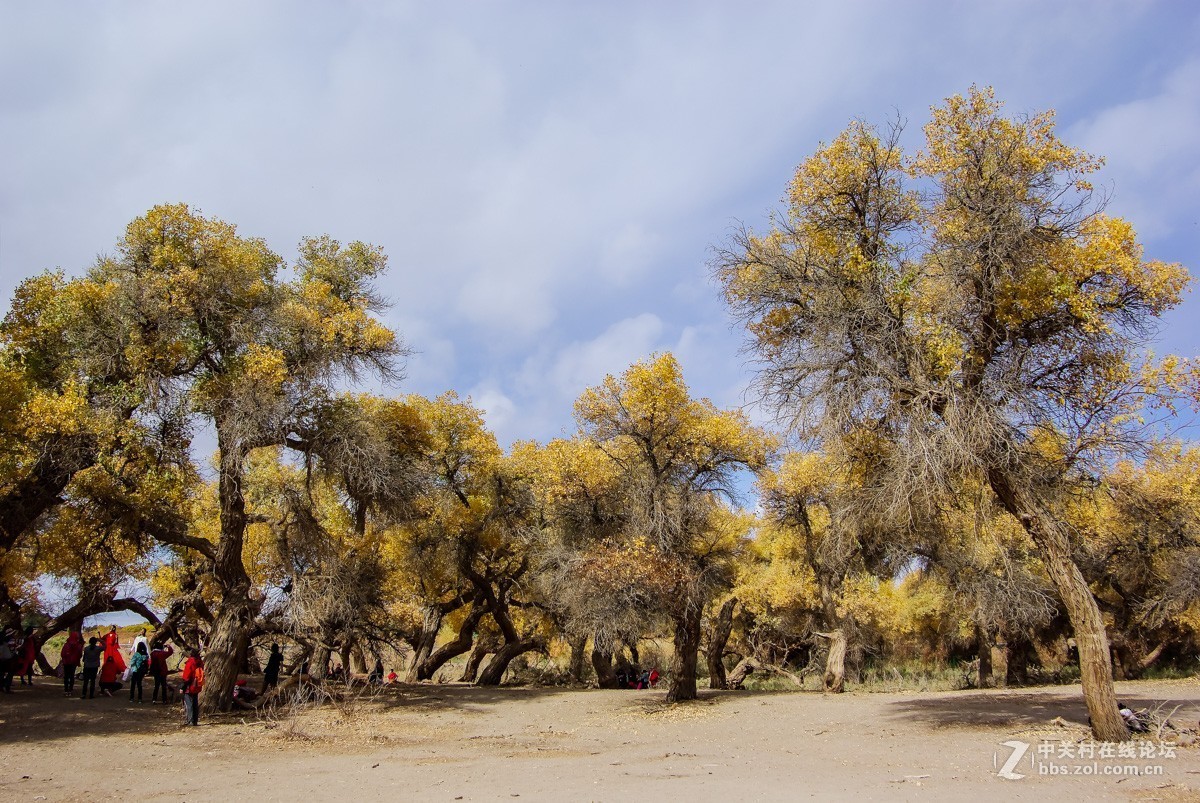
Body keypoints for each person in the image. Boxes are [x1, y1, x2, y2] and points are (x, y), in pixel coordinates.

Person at [180, 648, 204, 726]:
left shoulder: (190, 662)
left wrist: (182, 687)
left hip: (189, 686)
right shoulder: (200, 662)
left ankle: (190, 720)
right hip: (197, 685)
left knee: (189, 703)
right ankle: (195, 720)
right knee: (195, 703)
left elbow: (187, 676)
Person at [60, 629, 84, 697]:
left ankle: (66, 689)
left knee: (66, 676)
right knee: (71, 676)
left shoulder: (66, 645)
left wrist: (65, 658)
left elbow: (62, 654)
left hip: (66, 662)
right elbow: (80, 654)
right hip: (73, 662)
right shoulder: (78, 646)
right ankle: (70, 690)